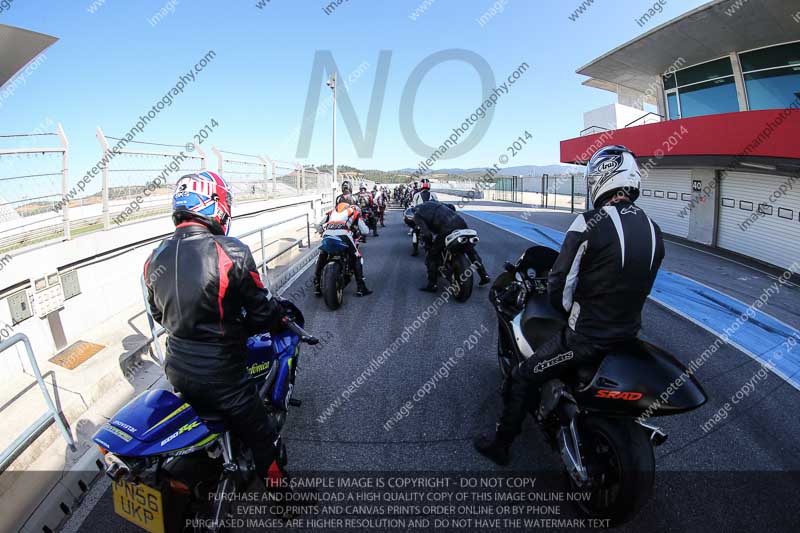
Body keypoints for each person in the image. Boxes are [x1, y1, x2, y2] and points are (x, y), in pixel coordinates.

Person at [473, 145, 665, 466]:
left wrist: (567, 313)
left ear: (602, 178)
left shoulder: (589, 222)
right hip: (628, 334)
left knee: (524, 375)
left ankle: (501, 446)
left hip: (585, 339)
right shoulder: (653, 229)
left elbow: (561, 283)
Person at [144, 171, 288, 484]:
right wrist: (249, 324)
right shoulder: (230, 251)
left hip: (177, 370)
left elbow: (159, 314)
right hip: (224, 378)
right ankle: (284, 500)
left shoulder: (154, 258)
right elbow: (263, 312)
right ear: (215, 204)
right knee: (264, 438)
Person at [412, 200, 491, 291]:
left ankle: (432, 284)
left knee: (432, 255)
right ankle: (484, 275)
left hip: (446, 229)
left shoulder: (417, 215)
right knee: (469, 250)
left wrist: (429, 246)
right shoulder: (438, 204)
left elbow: (426, 234)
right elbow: (452, 207)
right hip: (461, 223)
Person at [313, 201, 373, 297]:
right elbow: (365, 231)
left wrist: (321, 231)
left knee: (322, 255)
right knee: (357, 257)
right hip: (343, 235)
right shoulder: (353, 211)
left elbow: (318, 224)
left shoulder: (331, 212)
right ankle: (361, 288)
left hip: (327, 234)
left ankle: (316, 285)